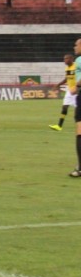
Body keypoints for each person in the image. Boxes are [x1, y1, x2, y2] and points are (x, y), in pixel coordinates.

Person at [50, 53, 77, 132]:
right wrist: (58, 84)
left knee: (78, 110)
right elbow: (66, 79)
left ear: (71, 59)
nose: (64, 60)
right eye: (64, 59)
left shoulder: (76, 66)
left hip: (77, 90)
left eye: (66, 59)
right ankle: (59, 126)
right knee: (65, 107)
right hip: (69, 90)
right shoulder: (67, 68)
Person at [69, 39, 81, 177]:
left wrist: (76, 87)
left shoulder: (79, 59)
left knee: (80, 131)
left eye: (76, 44)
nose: (74, 47)